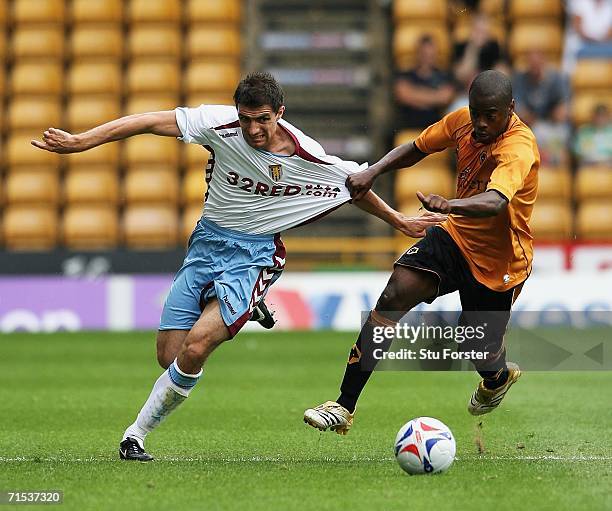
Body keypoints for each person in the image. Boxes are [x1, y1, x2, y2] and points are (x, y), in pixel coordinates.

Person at [32, 72, 445, 461]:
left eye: (262, 120)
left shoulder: (307, 154)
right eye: (246, 120)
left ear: (280, 114)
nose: (253, 130)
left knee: (196, 348)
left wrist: (400, 221)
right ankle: (241, 304)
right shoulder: (218, 125)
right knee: (170, 355)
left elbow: (357, 186)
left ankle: (134, 435)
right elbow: (148, 121)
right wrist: (83, 141)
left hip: (254, 255)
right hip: (206, 244)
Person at [304, 70, 539, 435]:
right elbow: (417, 148)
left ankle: (497, 377)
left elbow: (495, 201)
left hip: (501, 259)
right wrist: (374, 172)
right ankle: (343, 405)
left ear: (510, 108)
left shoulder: (518, 148)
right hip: (455, 237)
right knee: (394, 294)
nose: (479, 122)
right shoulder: (462, 121)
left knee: (476, 347)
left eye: (490, 114)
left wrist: (450, 204)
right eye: (475, 111)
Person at [512, 49, 570, 166]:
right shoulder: (520, 80)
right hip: (531, 125)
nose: (535, 68)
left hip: (553, 124)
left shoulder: (556, 79)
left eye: (537, 64)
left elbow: (563, 108)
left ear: (544, 62)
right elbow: (517, 107)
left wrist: (556, 114)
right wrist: (532, 120)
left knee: (563, 133)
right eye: (532, 64)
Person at [394, 34, 455, 129]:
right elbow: (404, 95)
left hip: (434, 129)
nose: (427, 58)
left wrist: (415, 95)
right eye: (424, 54)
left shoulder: (444, 76)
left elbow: (445, 98)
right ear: (418, 53)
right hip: (409, 127)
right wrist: (435, 97)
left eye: (431, 54)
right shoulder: (406, 75)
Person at [563, 0, 612, 73]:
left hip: (605, 44)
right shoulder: (580, 2)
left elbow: (609, 32)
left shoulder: (609, 4)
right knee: (572, 48)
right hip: (582, 43)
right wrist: (591, 39)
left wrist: (599, 41)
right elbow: (577, 26)